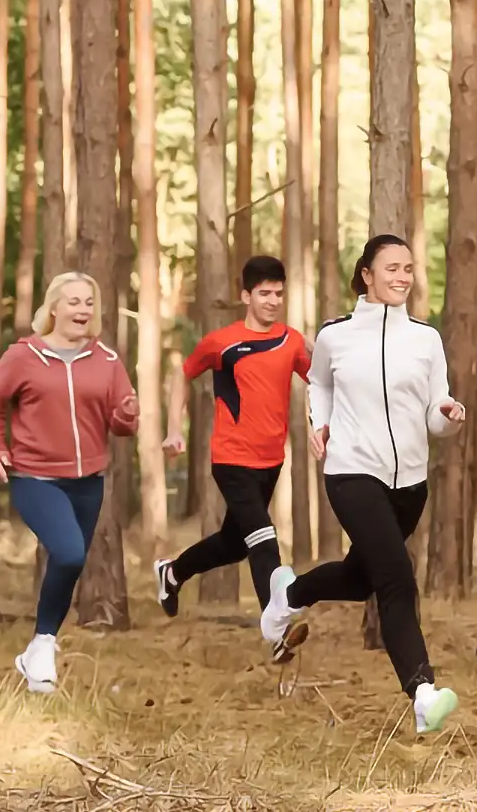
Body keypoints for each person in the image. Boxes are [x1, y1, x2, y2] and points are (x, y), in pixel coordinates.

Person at [258, 235, 466, 733]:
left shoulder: (426, 338)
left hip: (410, 482)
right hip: (351, 471)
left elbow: (437, 410)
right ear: (366, 275)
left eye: (409, 269)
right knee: (397, 577)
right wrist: (320, 421)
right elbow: (321, 383)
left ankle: (288, 594)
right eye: (391, 268)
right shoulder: (336, 334)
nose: (402, 277)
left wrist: (450, 417)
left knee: (361, 578)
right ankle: (422, 693)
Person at [0, 272, 140, 693]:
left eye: (89, 302)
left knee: (71, 564)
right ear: (53, 308)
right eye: (73, 302)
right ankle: (44, 645)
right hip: (36, 476)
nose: (82, 310)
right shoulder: (23, 356)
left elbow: (122, 425)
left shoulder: (106, 360)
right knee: (67, 555)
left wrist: (126, 414)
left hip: (89, 481)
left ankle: (39, 648)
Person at [155, 255, 313, 662]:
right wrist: (175, 428)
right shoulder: (221, 341)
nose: (273, 301)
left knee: (233, 543)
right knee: (263, 536)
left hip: (270, 460)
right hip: (231, 456)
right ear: (246, 295)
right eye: (264, 294)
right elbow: (181, 375)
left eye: (279, 293)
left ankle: (172, 572)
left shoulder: (293, 341)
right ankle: (276, 629)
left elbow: (322, 381)